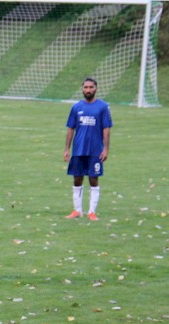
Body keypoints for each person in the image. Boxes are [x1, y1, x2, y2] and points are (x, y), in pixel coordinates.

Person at [63, 77, 112, 221]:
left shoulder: (102, 107)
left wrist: (106, 149)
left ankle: (92, 212)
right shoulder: (76, 107)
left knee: (93, 179)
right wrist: (67, 148)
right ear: (82, 89)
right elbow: (70, 129)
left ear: (96, 89)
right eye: (86, 87)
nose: (88, 90)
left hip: (95, 151)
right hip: (78, 150)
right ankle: (77, 210)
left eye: (91, 87)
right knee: (77, 179)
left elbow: (106, 129)